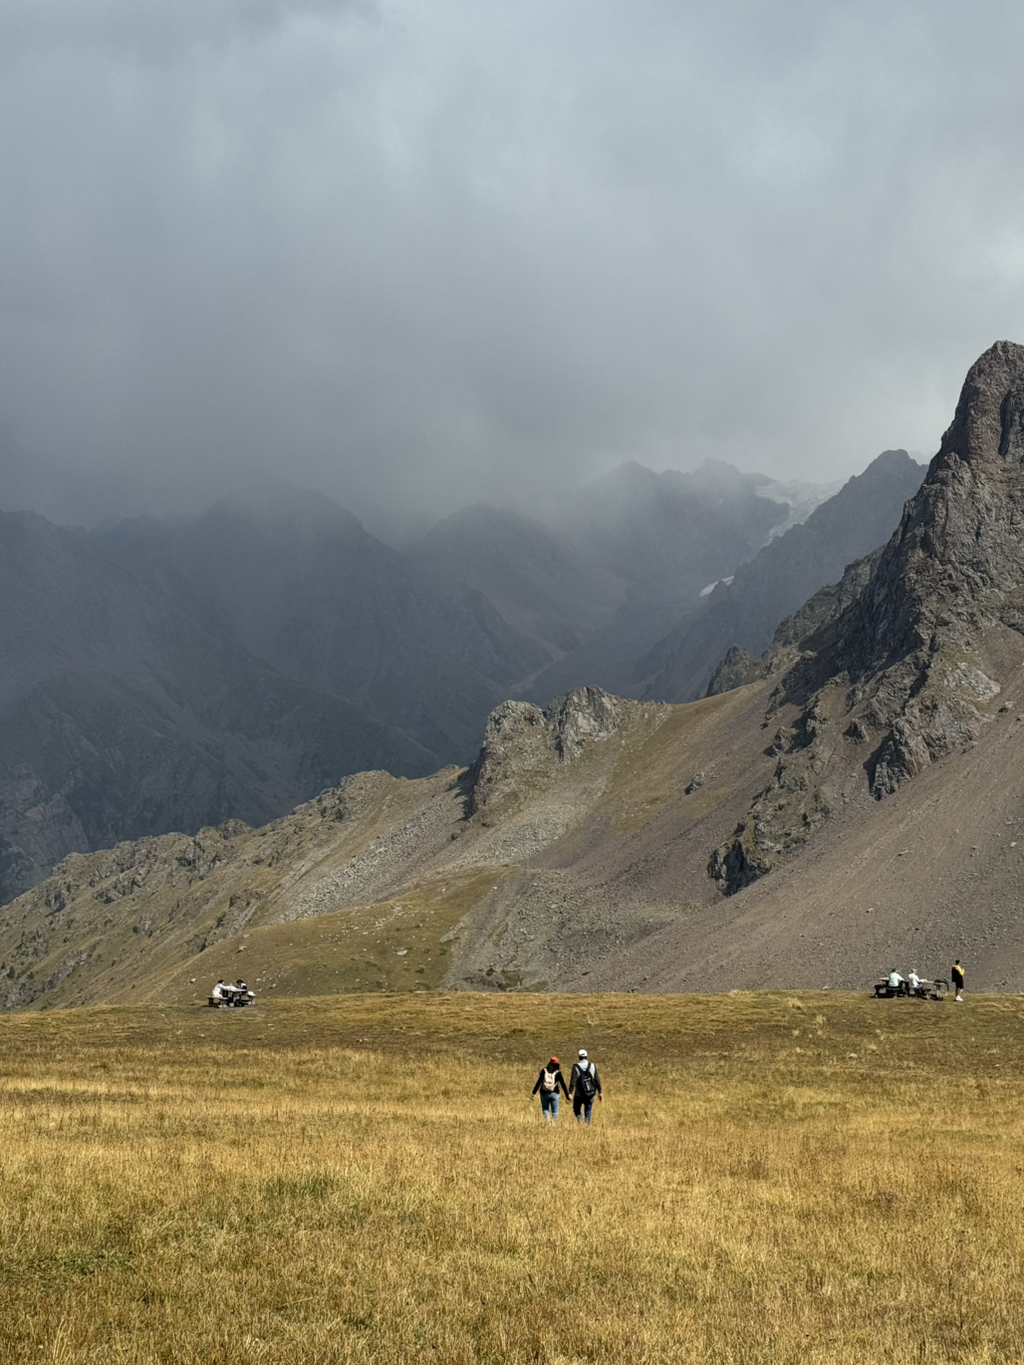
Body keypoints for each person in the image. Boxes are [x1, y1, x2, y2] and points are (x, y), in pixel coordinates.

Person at [569, 1048, 602, 1124]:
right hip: (590, 1094)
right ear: (587, 1056)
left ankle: (581, 1123)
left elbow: (573, 1081)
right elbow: (597, 1080)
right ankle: (588, 1126)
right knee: (588, 1110)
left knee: (576, 1109)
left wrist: (570, 1092)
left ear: (579, 1057)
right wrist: (600, 1092)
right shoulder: (593, 1066)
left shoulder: (576, 1067)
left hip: (579, 1094)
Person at [531, 1056, 569, 1122]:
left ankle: (548, 1124)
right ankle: (554, 1125)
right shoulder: (558, 1072)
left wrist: (534, 1093)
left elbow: (539, 1082)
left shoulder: (544, 1070)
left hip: (544, 1093)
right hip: (555, 1093)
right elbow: (563, 1084)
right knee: (555, 1111)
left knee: (545, 1109)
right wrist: (567, 1095)